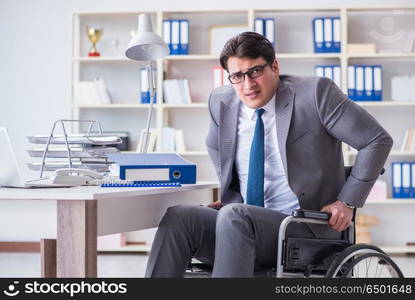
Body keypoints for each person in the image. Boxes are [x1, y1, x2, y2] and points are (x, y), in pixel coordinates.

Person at [145, 32, 393, 277]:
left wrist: (346, 202)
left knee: (235, 216)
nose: (248, 85)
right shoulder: (220, 102)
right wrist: (233, 197)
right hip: (240, 222)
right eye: (238, 76)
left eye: (255, 71)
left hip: (303, 228)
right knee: (180, 217)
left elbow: (376, 140)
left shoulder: (315, 94)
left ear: (274, 66)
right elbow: (218, 149)